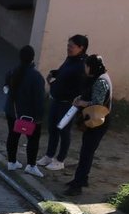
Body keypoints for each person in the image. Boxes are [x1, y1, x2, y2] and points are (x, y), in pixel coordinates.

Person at [34, 34, 88, 172]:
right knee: (52, 128)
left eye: (72, 46)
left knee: (64, 130)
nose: (68, 48)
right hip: (56, 99)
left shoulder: (82, 65)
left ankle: (60, 159)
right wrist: (54, 74)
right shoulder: (70, 59)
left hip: (68, 103)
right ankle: (49, 155)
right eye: (68, 45)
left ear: (81, 48)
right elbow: (63, 72)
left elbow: (80, 86)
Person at [62, 54, 112, 198]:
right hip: (95, 121)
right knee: (86, 151)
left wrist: (81, 103)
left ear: (91, 67)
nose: (85, 68)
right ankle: (80, 180)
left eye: (86, 66)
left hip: (98, 122)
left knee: (86, 153)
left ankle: (78, 185)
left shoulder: (100, 82)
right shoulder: (100, 78)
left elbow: (97, 103)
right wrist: (81, 98)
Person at [2, 45, 46, 175]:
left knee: (13, 135)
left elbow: (6, 89)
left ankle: (12, 162)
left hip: (12, 112)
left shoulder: (12, 72)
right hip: (29, 115)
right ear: (33, 58)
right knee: (33, 139)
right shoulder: (36, 77)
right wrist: (39, 116)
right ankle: (31, 165)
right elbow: (39, 99)